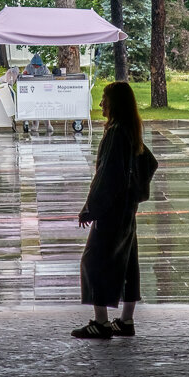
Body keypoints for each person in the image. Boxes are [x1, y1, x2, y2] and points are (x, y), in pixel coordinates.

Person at [72, 81, 144, 339]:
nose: (100, 103)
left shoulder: (115, 132)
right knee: (127, 262)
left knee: (93, 261)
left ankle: (101, 323)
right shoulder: (131, 130)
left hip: (112, 211)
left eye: (104, 98)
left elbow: (106, 176)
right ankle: (126, 320)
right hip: (127, 209)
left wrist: (90, 208)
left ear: (115, 103)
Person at [21, 55, 53, 132]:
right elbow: (23, 75)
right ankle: (35, 125)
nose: (36, 67)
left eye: (37, 65)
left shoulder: (44, 68)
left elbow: (49, 76)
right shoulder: (28, 67)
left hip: (43, 90)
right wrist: (25, 74)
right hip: (32, 91)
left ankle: (48, 125)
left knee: (45, 107)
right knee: (34, 107)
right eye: (34, 65)